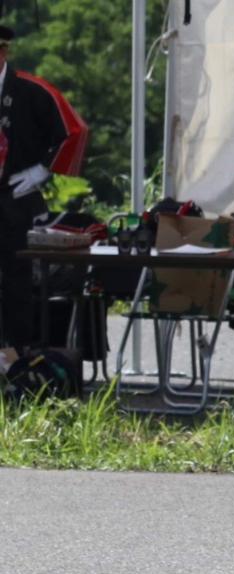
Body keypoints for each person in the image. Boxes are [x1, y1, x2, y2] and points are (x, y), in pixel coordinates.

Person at [0, 25, 87, 348]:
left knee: (18, 279)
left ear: (4, 51)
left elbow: (75, 131)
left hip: (19, 196)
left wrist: (43, 171)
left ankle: (19, 357)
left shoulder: (33, 90)